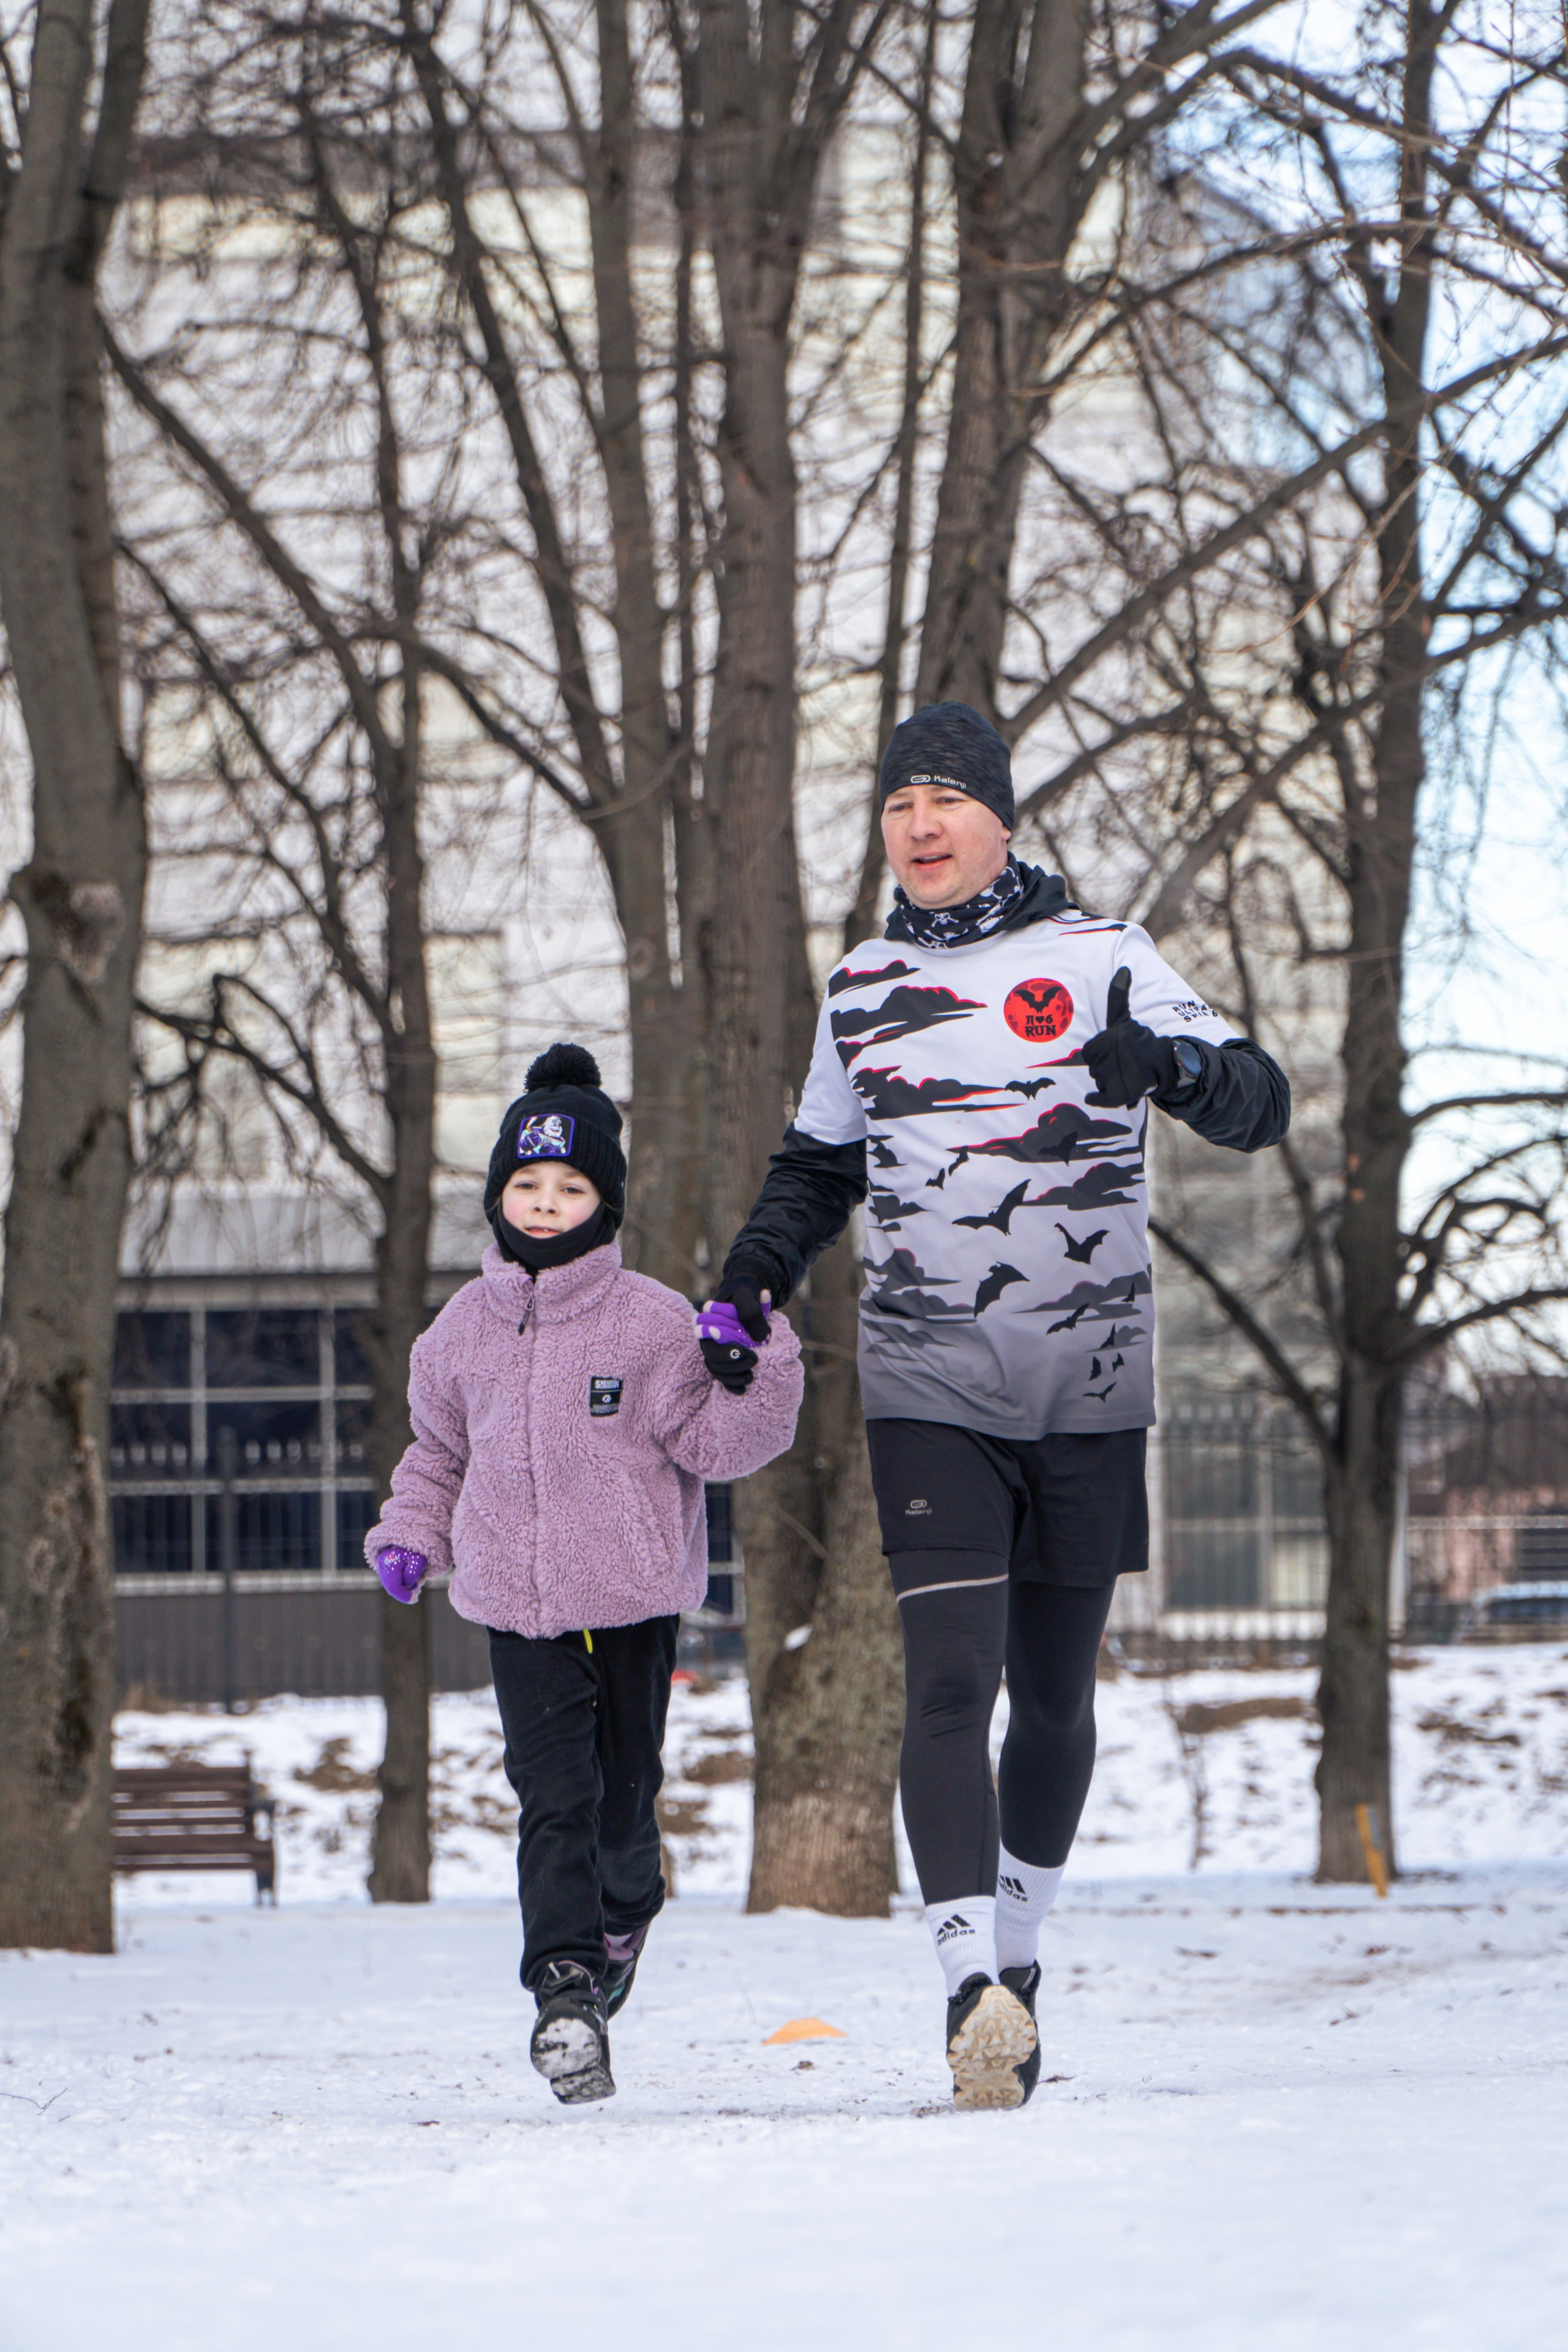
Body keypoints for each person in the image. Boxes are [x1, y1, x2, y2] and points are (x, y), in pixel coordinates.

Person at [710, 703, 1289, 2111]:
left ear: (999, 818)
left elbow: (1259, 1105)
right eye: (897, 803)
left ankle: (1018, 1964)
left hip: (1086, 1383)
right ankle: (965, 1979)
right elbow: (817, 1167)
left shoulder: (1103, 957)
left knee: (1050, 1698)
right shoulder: (860, 988)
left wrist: (1171, 1069)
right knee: (947, 1681)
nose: (918, 825)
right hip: (927, 1382)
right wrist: (747, 1280)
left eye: (945, 799)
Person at [366, 1043, 803, 2105]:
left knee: (622, 1807)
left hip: (631, 1601)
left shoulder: (650, 1321)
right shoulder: (459, 1332)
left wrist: (759, 1360)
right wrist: (412, 1531)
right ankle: (563, 1990)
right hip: (517, 1609)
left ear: (604, 1201)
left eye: (571, 1187)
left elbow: (720, 1444)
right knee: (551, 1797)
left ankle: (627, 1909)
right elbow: (438, 1452)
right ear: (498, 1197)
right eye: (529, 1184)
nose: (547, 1204)